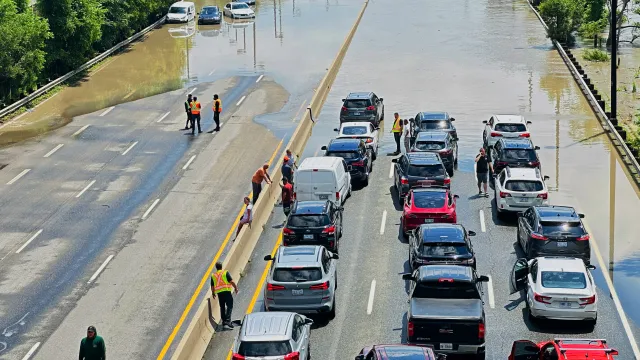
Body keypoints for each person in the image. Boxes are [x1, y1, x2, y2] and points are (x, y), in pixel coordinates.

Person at [211, 262, 239, 329]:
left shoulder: (213, 275)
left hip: (220, 294)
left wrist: (213, 293)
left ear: (216, 267)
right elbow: (231, 281)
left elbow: (212, 286)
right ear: (221, 266)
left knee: (222, 307)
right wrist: (235, 288)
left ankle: (224, 321)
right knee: (230, 305)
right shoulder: (225, 273)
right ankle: (228, 320)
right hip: (227, 292)